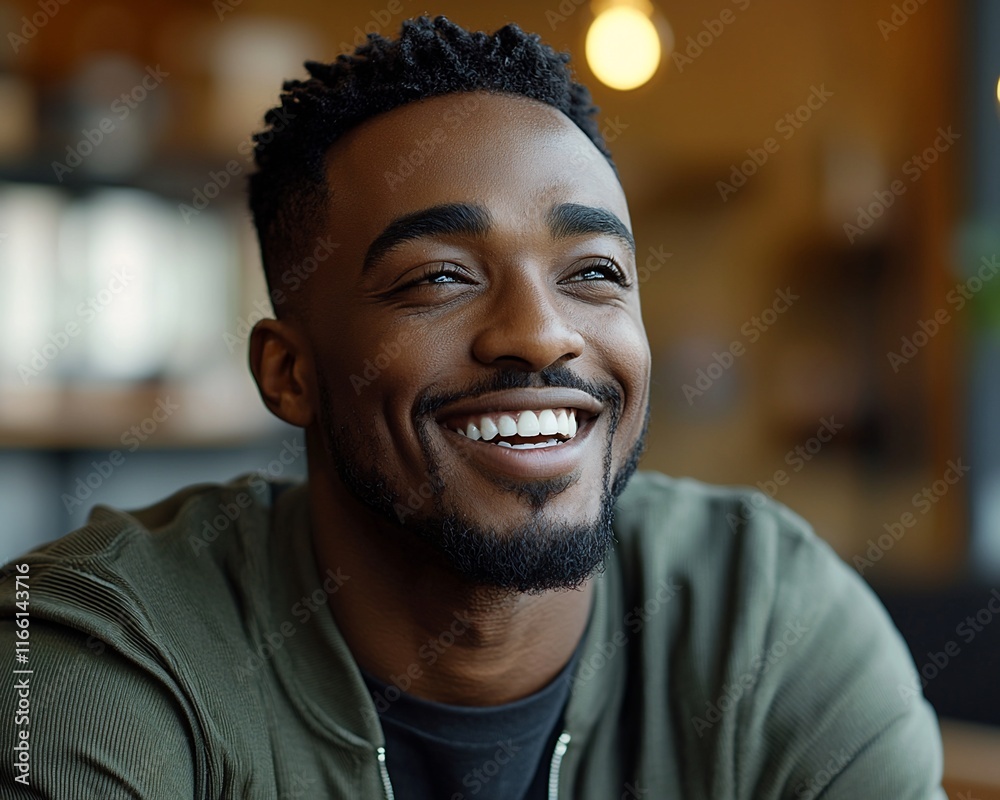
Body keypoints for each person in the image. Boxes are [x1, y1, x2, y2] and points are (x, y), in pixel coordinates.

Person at [1, 15, 946, 799]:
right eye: (440, 277)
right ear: (289, 373)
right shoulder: (99, 647)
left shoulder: (768, 617)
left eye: (595, 274)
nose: (541, 335)